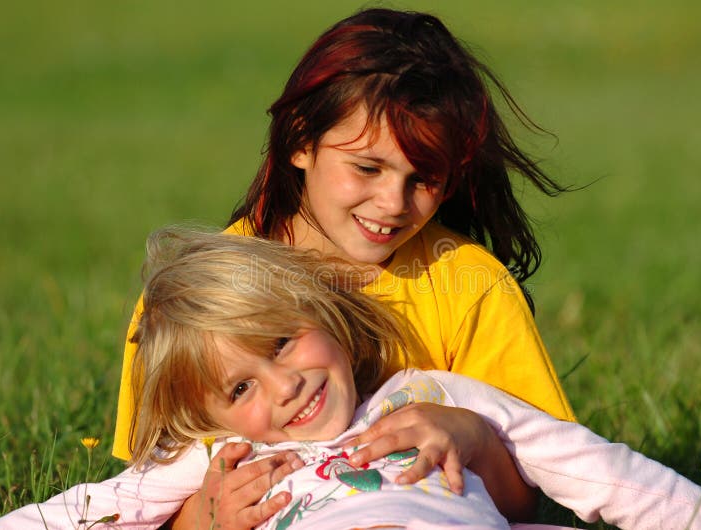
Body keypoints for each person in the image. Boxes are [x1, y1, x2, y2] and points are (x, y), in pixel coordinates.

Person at [113, 7, 577, 527]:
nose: (393, 202)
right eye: (367, 167)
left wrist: (472, 439)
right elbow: (142, 498)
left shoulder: (473, 287)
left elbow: (527, 498)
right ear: (302, 140)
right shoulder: (196, 299)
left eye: (423, 178)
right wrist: (200, 518)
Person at [0, 229, 701, 530]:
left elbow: (600, 473)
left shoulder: (434, 398)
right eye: (238, 390)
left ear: (323, 313)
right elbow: (81, 513)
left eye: (283, 343)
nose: (282, 388)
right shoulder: (222, 460)